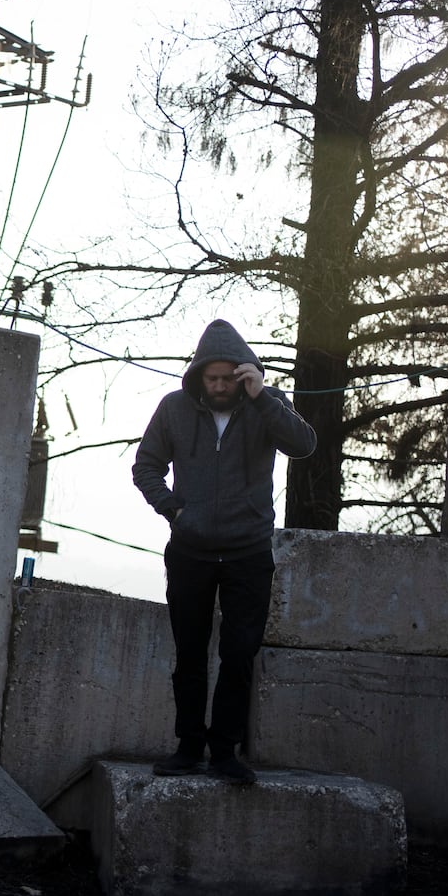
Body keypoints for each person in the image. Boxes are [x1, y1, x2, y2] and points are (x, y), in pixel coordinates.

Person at [132, 319, 317, 785]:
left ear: (242, 374)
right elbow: (147, 465)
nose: (218, 386)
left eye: (227, 378)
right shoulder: (174, 408)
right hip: (190, 550)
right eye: (210, 378)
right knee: (190, 653)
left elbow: (303, 444)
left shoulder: (268, 405)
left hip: (248, 552)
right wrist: (173, 510)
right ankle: (189, 746)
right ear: (199, 376)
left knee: (239, 653)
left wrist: (261, 397)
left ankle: (225, 753)